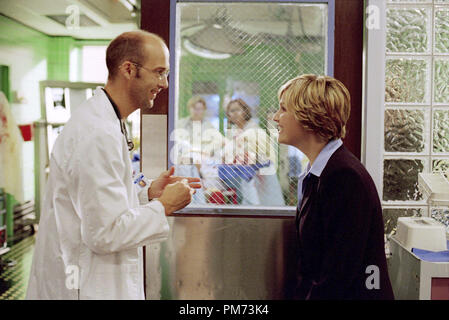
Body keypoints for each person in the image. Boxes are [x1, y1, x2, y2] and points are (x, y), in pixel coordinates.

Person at [26, 31, 201, 300]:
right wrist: (164, 205)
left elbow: (98, 204)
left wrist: (148, 194)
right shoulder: (97, 133)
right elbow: (104, 233)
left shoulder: (105, 120)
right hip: (84, 287)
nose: (164, 83)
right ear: (129, 69)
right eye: (158, 72)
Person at [273, 74, 394, 300]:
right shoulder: (319, 172)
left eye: (283, 109)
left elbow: (338, 274)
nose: (275, 117)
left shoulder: (344, 177)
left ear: (309, 116)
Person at [224, 98, 284, 206]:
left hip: (261, 175)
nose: (234, 113)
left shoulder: (256, 131)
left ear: (245, 111)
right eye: (231, 111)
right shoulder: (231, 133)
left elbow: (262, 155)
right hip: (243, 176)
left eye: (238, 109)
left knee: (266, 206)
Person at [175, 96, 224, 204]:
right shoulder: (180, 124)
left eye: (200, 108)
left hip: (203, 158)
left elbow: (218, 143)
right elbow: (176, 143)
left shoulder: (209, 126)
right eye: (195, 108)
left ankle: (198, 201)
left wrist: (204, 152)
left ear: (204, 110)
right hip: (185, 158)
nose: (197, 111)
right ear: (189, 109)